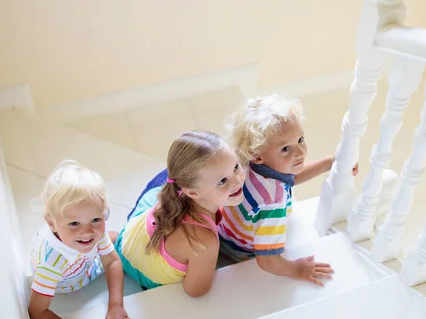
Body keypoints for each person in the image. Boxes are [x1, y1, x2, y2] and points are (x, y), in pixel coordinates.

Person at [219, 94, 357, 286]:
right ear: (258, 155)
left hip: (226, 231)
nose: (300, 152)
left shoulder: (245, 166)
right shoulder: (272, 203)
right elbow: (267, 260)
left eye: (300, 139)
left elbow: (289, 178)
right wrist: (296, 269)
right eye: (286, 149)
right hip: (241, 251)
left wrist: (328, 163)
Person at [28, 159, 135, 319]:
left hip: (84, 262)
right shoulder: (51, 263)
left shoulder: (93, 229)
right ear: (52, 223)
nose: (86, 231)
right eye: (74, 223)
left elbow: (112, 262)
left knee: (115, 237)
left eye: (96, 219)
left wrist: (116, 305)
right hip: (72, 279)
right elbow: (37, 311)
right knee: (113, 239)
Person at [113, 130, 245, 297]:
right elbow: (195, 291)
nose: (237, 181)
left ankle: (111, 238)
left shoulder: (177, 195)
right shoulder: (205, 244)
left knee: (167, 179)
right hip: (145, 275)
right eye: (222, 181)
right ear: (193, 193)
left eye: (235, 167)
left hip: (125, 240)